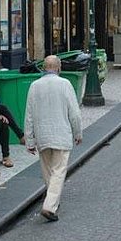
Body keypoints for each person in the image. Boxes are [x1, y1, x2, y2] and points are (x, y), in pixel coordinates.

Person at [25, 56, 82, 223]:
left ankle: (52, 201)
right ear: (59, 68)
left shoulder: (34, 86)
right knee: (58, 171)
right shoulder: (65, 84)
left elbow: (28, 115)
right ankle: (50, 206)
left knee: (48, 170)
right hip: (61, 134)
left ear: (43, 67)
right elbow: (75, 113)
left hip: (43, 135)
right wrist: (78, 133)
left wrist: (29, 140)